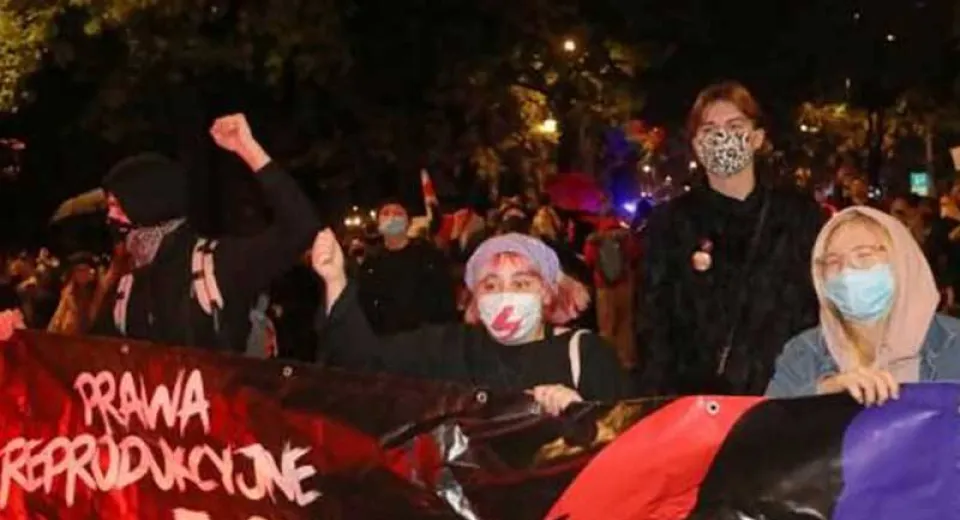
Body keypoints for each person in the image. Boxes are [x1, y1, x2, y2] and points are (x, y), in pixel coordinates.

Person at [638, 81, 824, 395]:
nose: (722, 136)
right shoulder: (669, 224)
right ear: (697, 144)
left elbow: (818, 310)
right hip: (700, 406)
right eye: (709, 128)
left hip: (787, 396)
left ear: (756, 138)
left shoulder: (799, 217)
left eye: (735, 125)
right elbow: (654, 326)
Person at [313, 231, 630, 415]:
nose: (505, 296)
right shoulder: (445, 348)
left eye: (521, 284)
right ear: (475, 298)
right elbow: (360, 367)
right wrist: (335, 281)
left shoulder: (587, 355)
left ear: (547, 293)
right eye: (490, 285)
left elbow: (628, 454)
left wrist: (584, 416)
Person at [91, 113, 318, 351]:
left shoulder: (215, 265)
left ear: (147, 204)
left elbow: (301, 228)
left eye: (118, 206)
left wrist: (249, 150)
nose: (111, 218)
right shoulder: (126, 283)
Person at [766, 206, 960, 404]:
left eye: (864, 256)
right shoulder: (803, 354)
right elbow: (762, 428)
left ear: (903, 261)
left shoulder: (953, 345)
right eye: (833, 262)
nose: (847, 272)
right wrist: (822, 396)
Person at [355, 201, 457, 335]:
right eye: (386, 214)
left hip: (429, 339)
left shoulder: (429, 255)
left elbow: (446, 298)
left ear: (408, 223)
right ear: (379, 225)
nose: (392, 217)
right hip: (389, 343)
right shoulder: (370, 266)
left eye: (398, 213)